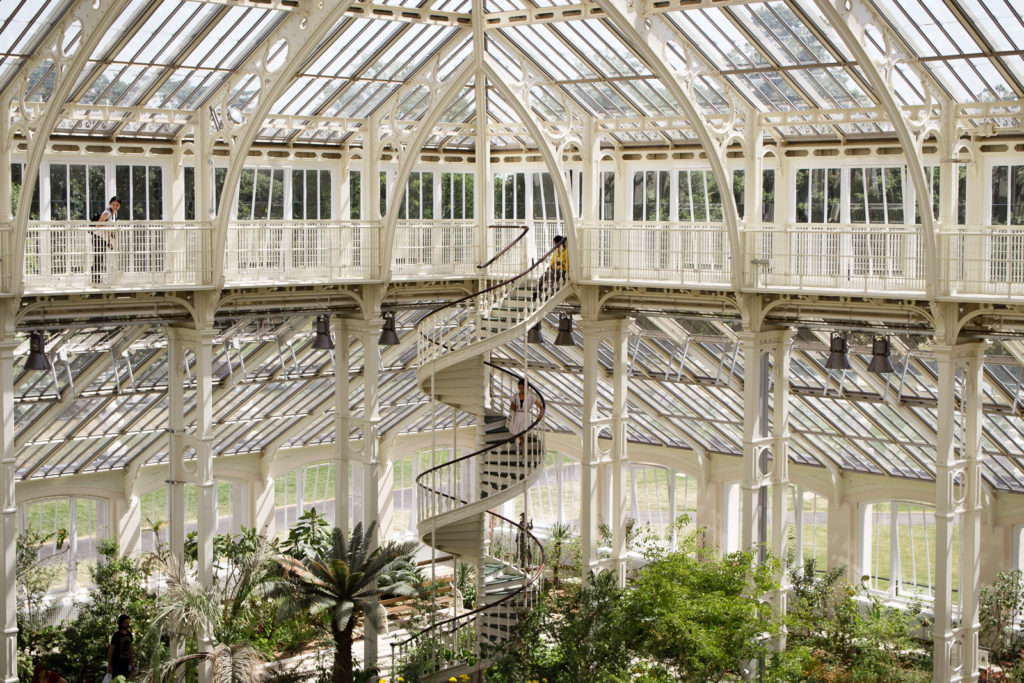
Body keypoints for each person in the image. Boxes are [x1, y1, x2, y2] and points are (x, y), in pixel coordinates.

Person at [508, 378, 542, 463]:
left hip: (525, 416)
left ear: (526, 387)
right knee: (517, 435)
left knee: (523, 437)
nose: (521, 389)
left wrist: (540, 415)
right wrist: (514, 406)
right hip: (517, 415)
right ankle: (520, 446)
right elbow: (511, 407)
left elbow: (541, 407)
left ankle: (524, 456)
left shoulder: (531, 397)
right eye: (519, 387)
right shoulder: (515, 396)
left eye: (523, 387)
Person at [91, 196, 120, 285]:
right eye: (113, 204)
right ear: (110, 204)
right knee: (98, 258)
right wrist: (110, 231)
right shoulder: (107, 213)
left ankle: (97, 279)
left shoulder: (115, 214)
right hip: (98, 237)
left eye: (117, 205)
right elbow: (98, 225)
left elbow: (109, 227)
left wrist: (110, 240)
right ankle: (95, 280)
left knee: (100, 258)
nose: (115, 206)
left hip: (104, 238)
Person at [534, 235, 568, 301]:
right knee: (544, 275)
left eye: (556, 244)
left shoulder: (567, 251)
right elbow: (552, 262)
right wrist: (550, 266)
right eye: (554, 244)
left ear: (560, 243)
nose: (555, 246)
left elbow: (568, 265)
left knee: (549, 274)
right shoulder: (556, 251)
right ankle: (536, 292)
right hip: (555, 271)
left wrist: (560, 263)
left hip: (563, 271)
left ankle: (551, 292)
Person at [107, 614, 134, 679]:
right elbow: (111, 650)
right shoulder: (117, 635)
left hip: (126, 662)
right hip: (117, 663)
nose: (128, 624)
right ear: (121, 624)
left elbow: (130, 647)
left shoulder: (129, 634)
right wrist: (109, 665)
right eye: (126, 623)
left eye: (128, 623)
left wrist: (131, 662)